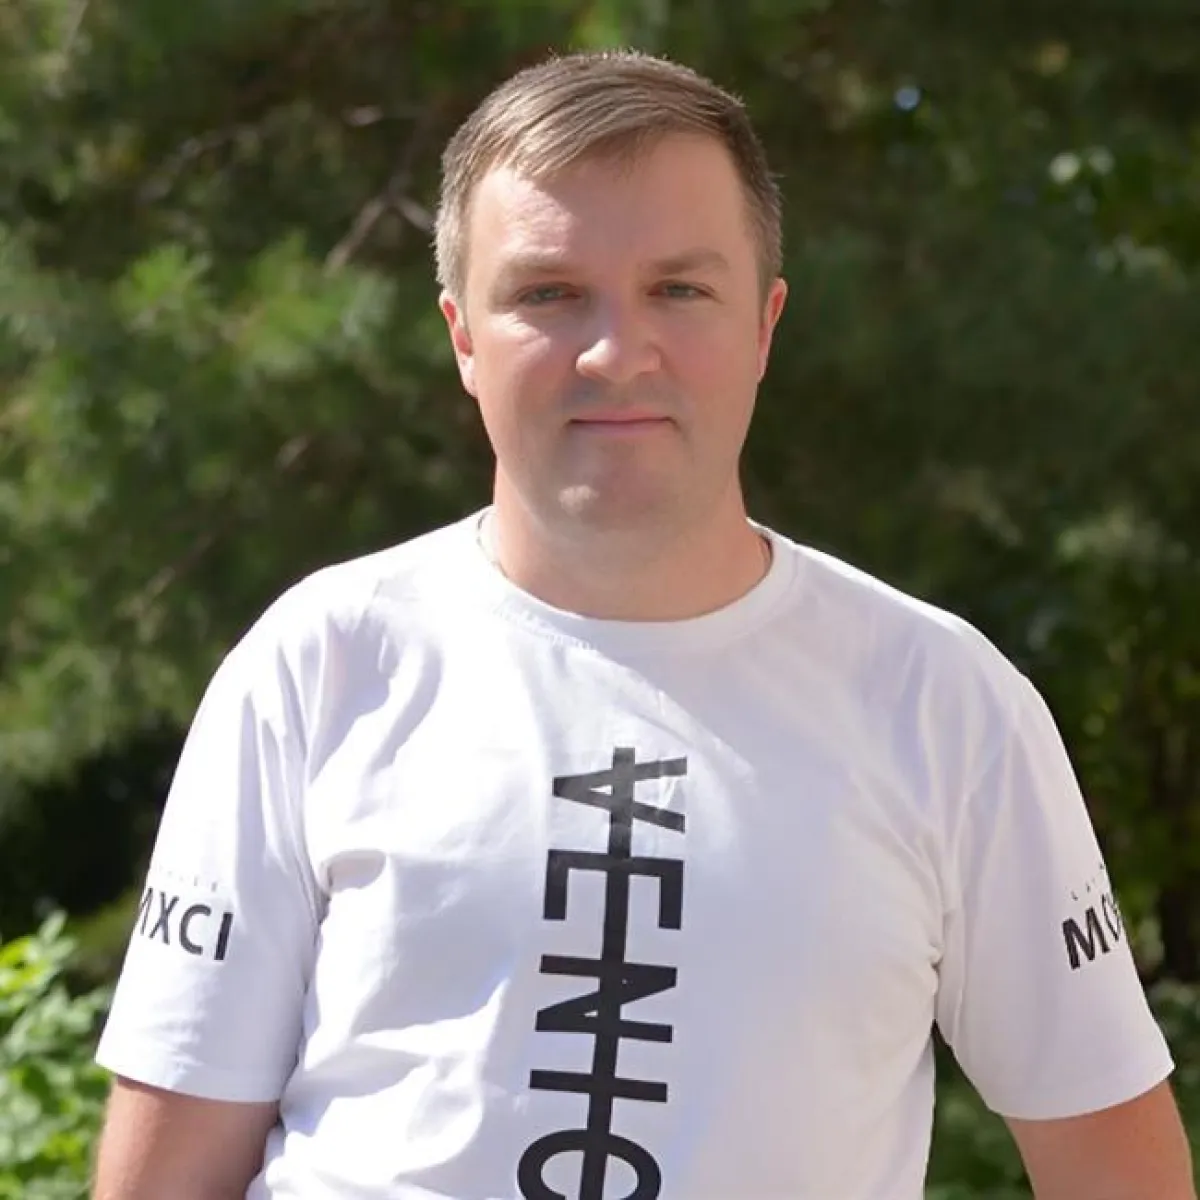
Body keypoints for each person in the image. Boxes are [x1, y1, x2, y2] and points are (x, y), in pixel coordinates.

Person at [91, 49, 1194, 1200]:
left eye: (679, 289)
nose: (617, 353)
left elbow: (1119, 1173)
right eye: (548, 294)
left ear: (764, 326)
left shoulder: (944, 703)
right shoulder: (319, 663)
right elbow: (165, 1177)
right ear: (462, 336)